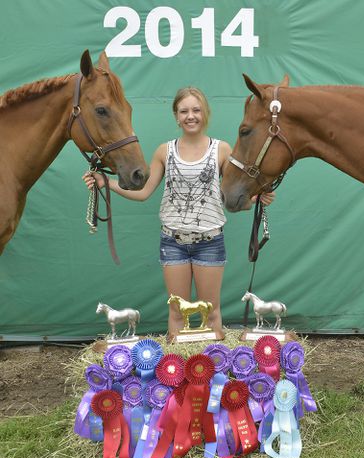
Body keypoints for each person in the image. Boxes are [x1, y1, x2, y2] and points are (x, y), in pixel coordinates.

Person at [83, 87, 275, 341]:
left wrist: (257, 198)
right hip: (173, 243)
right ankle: (175, 376)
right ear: (176, 116)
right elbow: (143, 192)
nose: (190, 116)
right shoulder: (165, 151)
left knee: (212, 312)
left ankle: (214, 374)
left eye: (196, 110)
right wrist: (104, 183)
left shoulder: (222, 150)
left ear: (205, 113)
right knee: (176, 313)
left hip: (210, 243)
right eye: (184, 111)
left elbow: (231, 198)